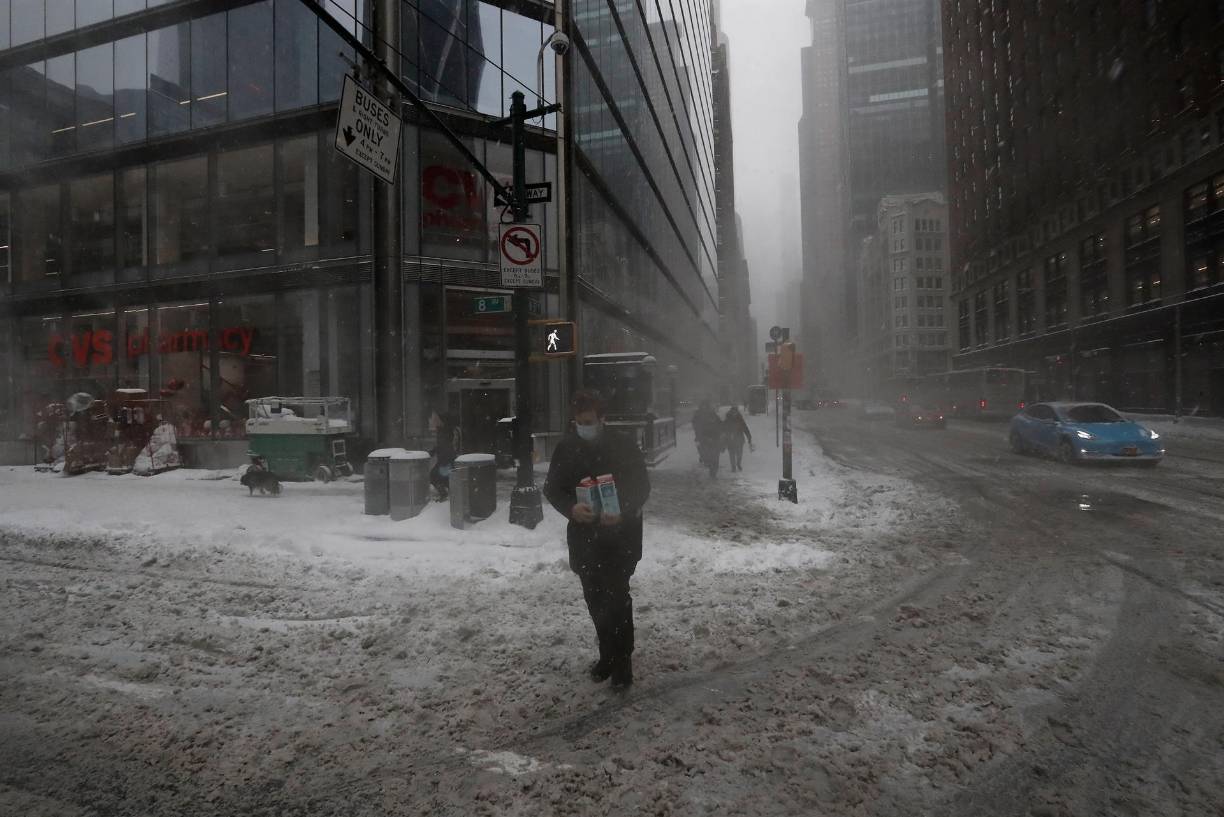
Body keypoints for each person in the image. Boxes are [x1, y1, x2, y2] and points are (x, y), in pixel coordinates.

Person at [544, 390, 651, 690]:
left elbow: (641, 485)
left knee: (617, 599)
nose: (583, 426)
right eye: (578, 422)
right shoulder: (566, 448)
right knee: (595, 601)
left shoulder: (623, 445)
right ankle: (606, 654)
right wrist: (571, 508)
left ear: (602, 419)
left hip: (621, 539)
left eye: (588, 421)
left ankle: (622, 662)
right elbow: (552, 488)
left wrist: (624, 510)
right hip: (585, 541)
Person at [428, 410, 459, 501]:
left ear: (442, 421)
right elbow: (440, 445)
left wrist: (434, 452)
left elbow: (443, 445)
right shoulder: (443, 430)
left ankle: (446, 494)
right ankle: (451, 494)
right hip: (446, 458)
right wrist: (433, 451)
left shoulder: (445, 431)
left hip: (446, 459)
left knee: (434, 476)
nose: (433, 420)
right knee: (444, 477)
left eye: (436, 418)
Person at [691, 399, 722, 477]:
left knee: (713, 454)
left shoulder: (711, 414)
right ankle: (706, 461)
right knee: (704, 451)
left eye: (706, 406)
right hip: (702, 436)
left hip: (712, 437)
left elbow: (719, 423)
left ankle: (712, 469)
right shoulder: (698, 413)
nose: (704, 407)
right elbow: (694, 422)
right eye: (703, 406)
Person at [722, 406, 753, 472]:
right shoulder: (727, 420)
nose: (734, 413)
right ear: (731, 412)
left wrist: (749, 437)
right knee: (732, 454)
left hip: (739, 439)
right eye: (733, 412)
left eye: (735, 412)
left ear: (737, 412)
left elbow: (745, 429)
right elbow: (723, 429)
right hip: (730, 440)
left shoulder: (740, 419)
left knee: (739, 454)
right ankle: (733, 466)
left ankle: (738, 463)